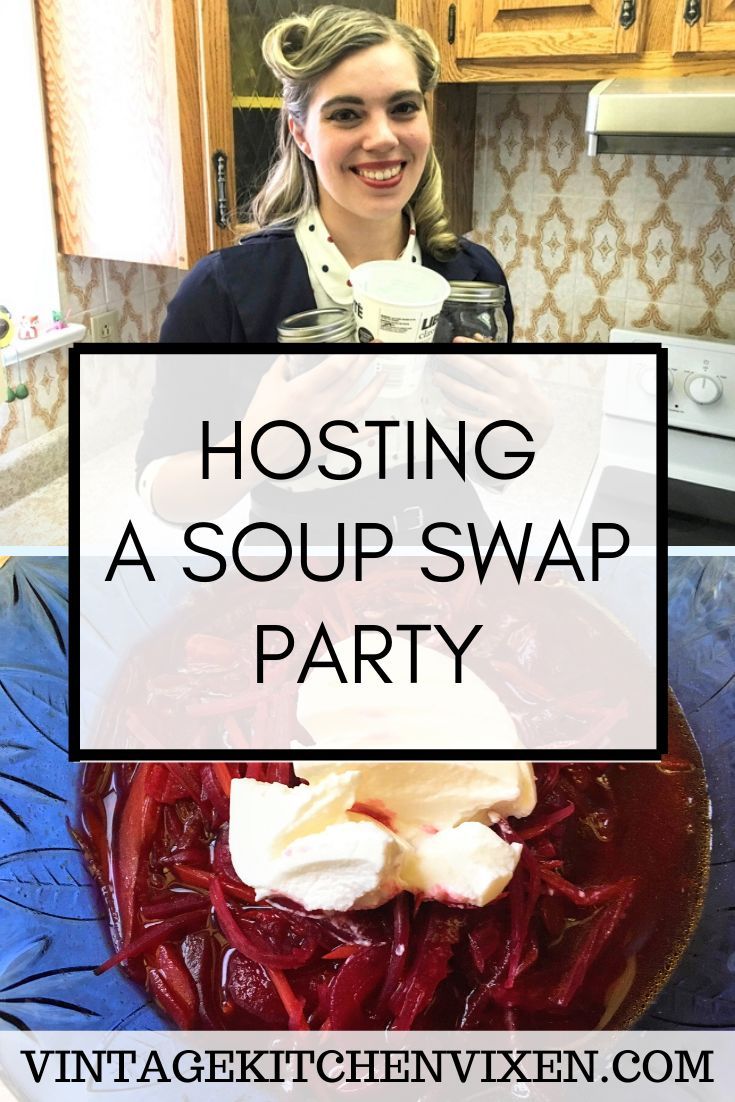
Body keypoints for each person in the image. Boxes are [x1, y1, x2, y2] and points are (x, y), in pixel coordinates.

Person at [159, 5, 512, 345]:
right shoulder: (217, 295)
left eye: (403, 108)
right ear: (301, 135)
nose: (383, 139)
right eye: (345, 114)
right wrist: (265, 409)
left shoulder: (479, 282)